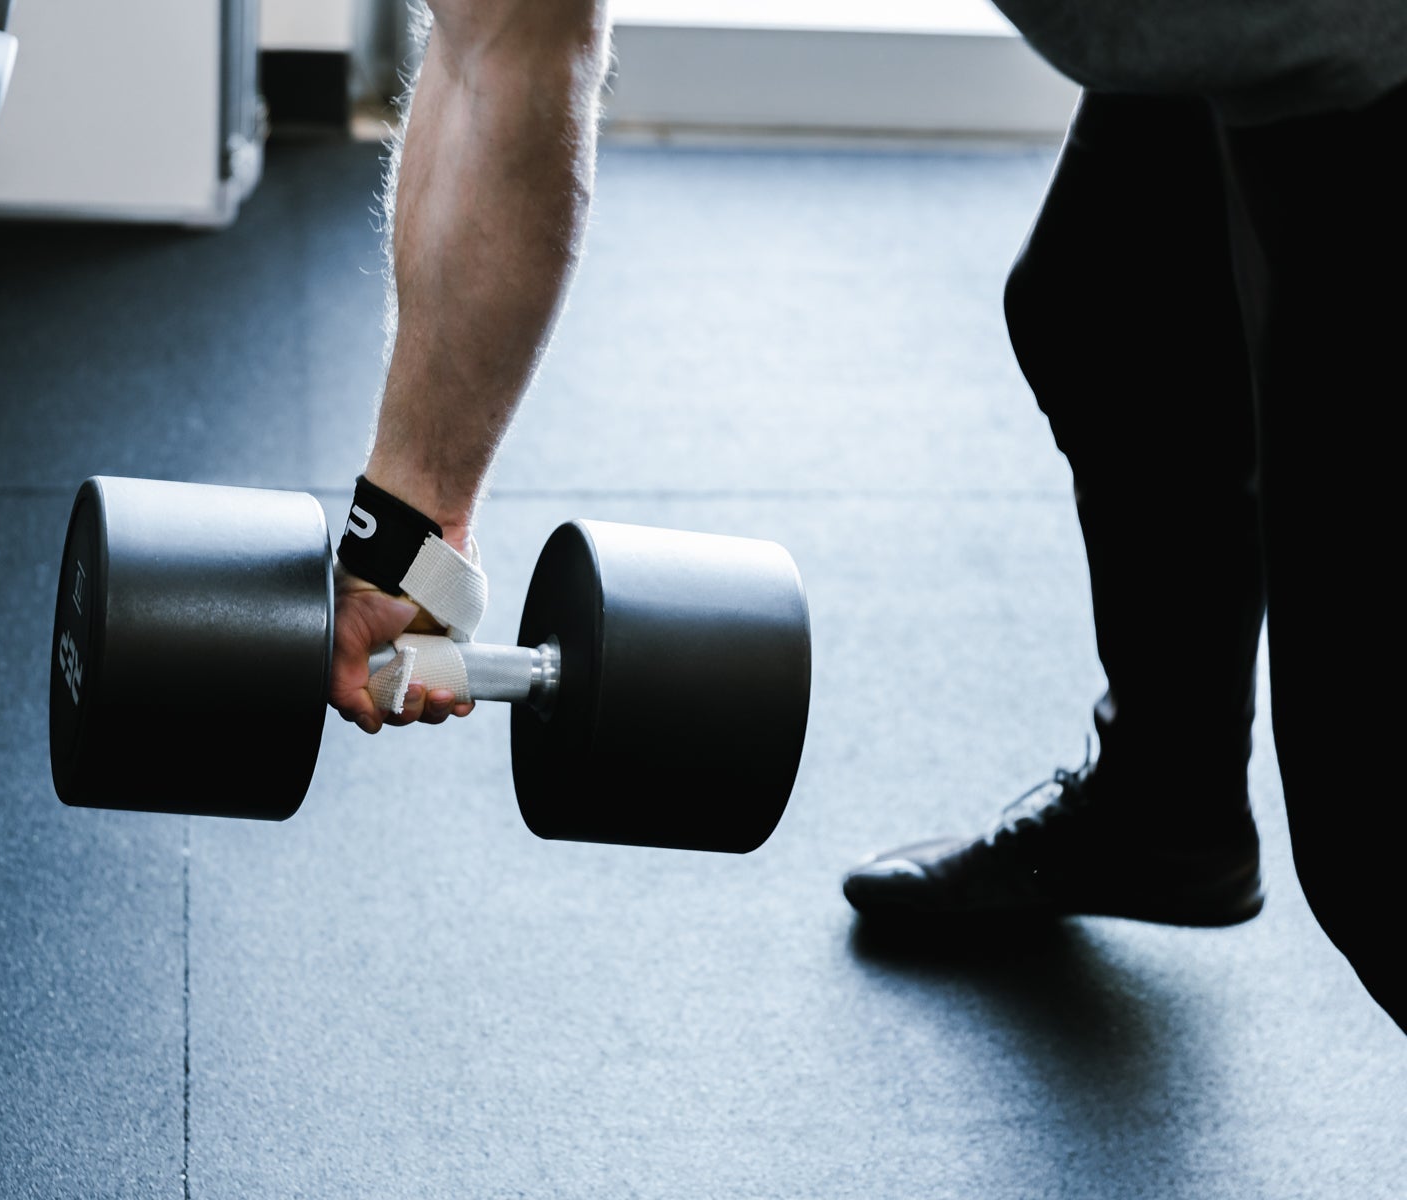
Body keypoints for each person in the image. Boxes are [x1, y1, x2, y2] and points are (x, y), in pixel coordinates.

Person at [323, 0, 1406, 1032]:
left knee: (1373, 840)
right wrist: (407, 543)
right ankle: (1168, 812)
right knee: (1109, 314)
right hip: (1240, 34)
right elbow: (497, 48)